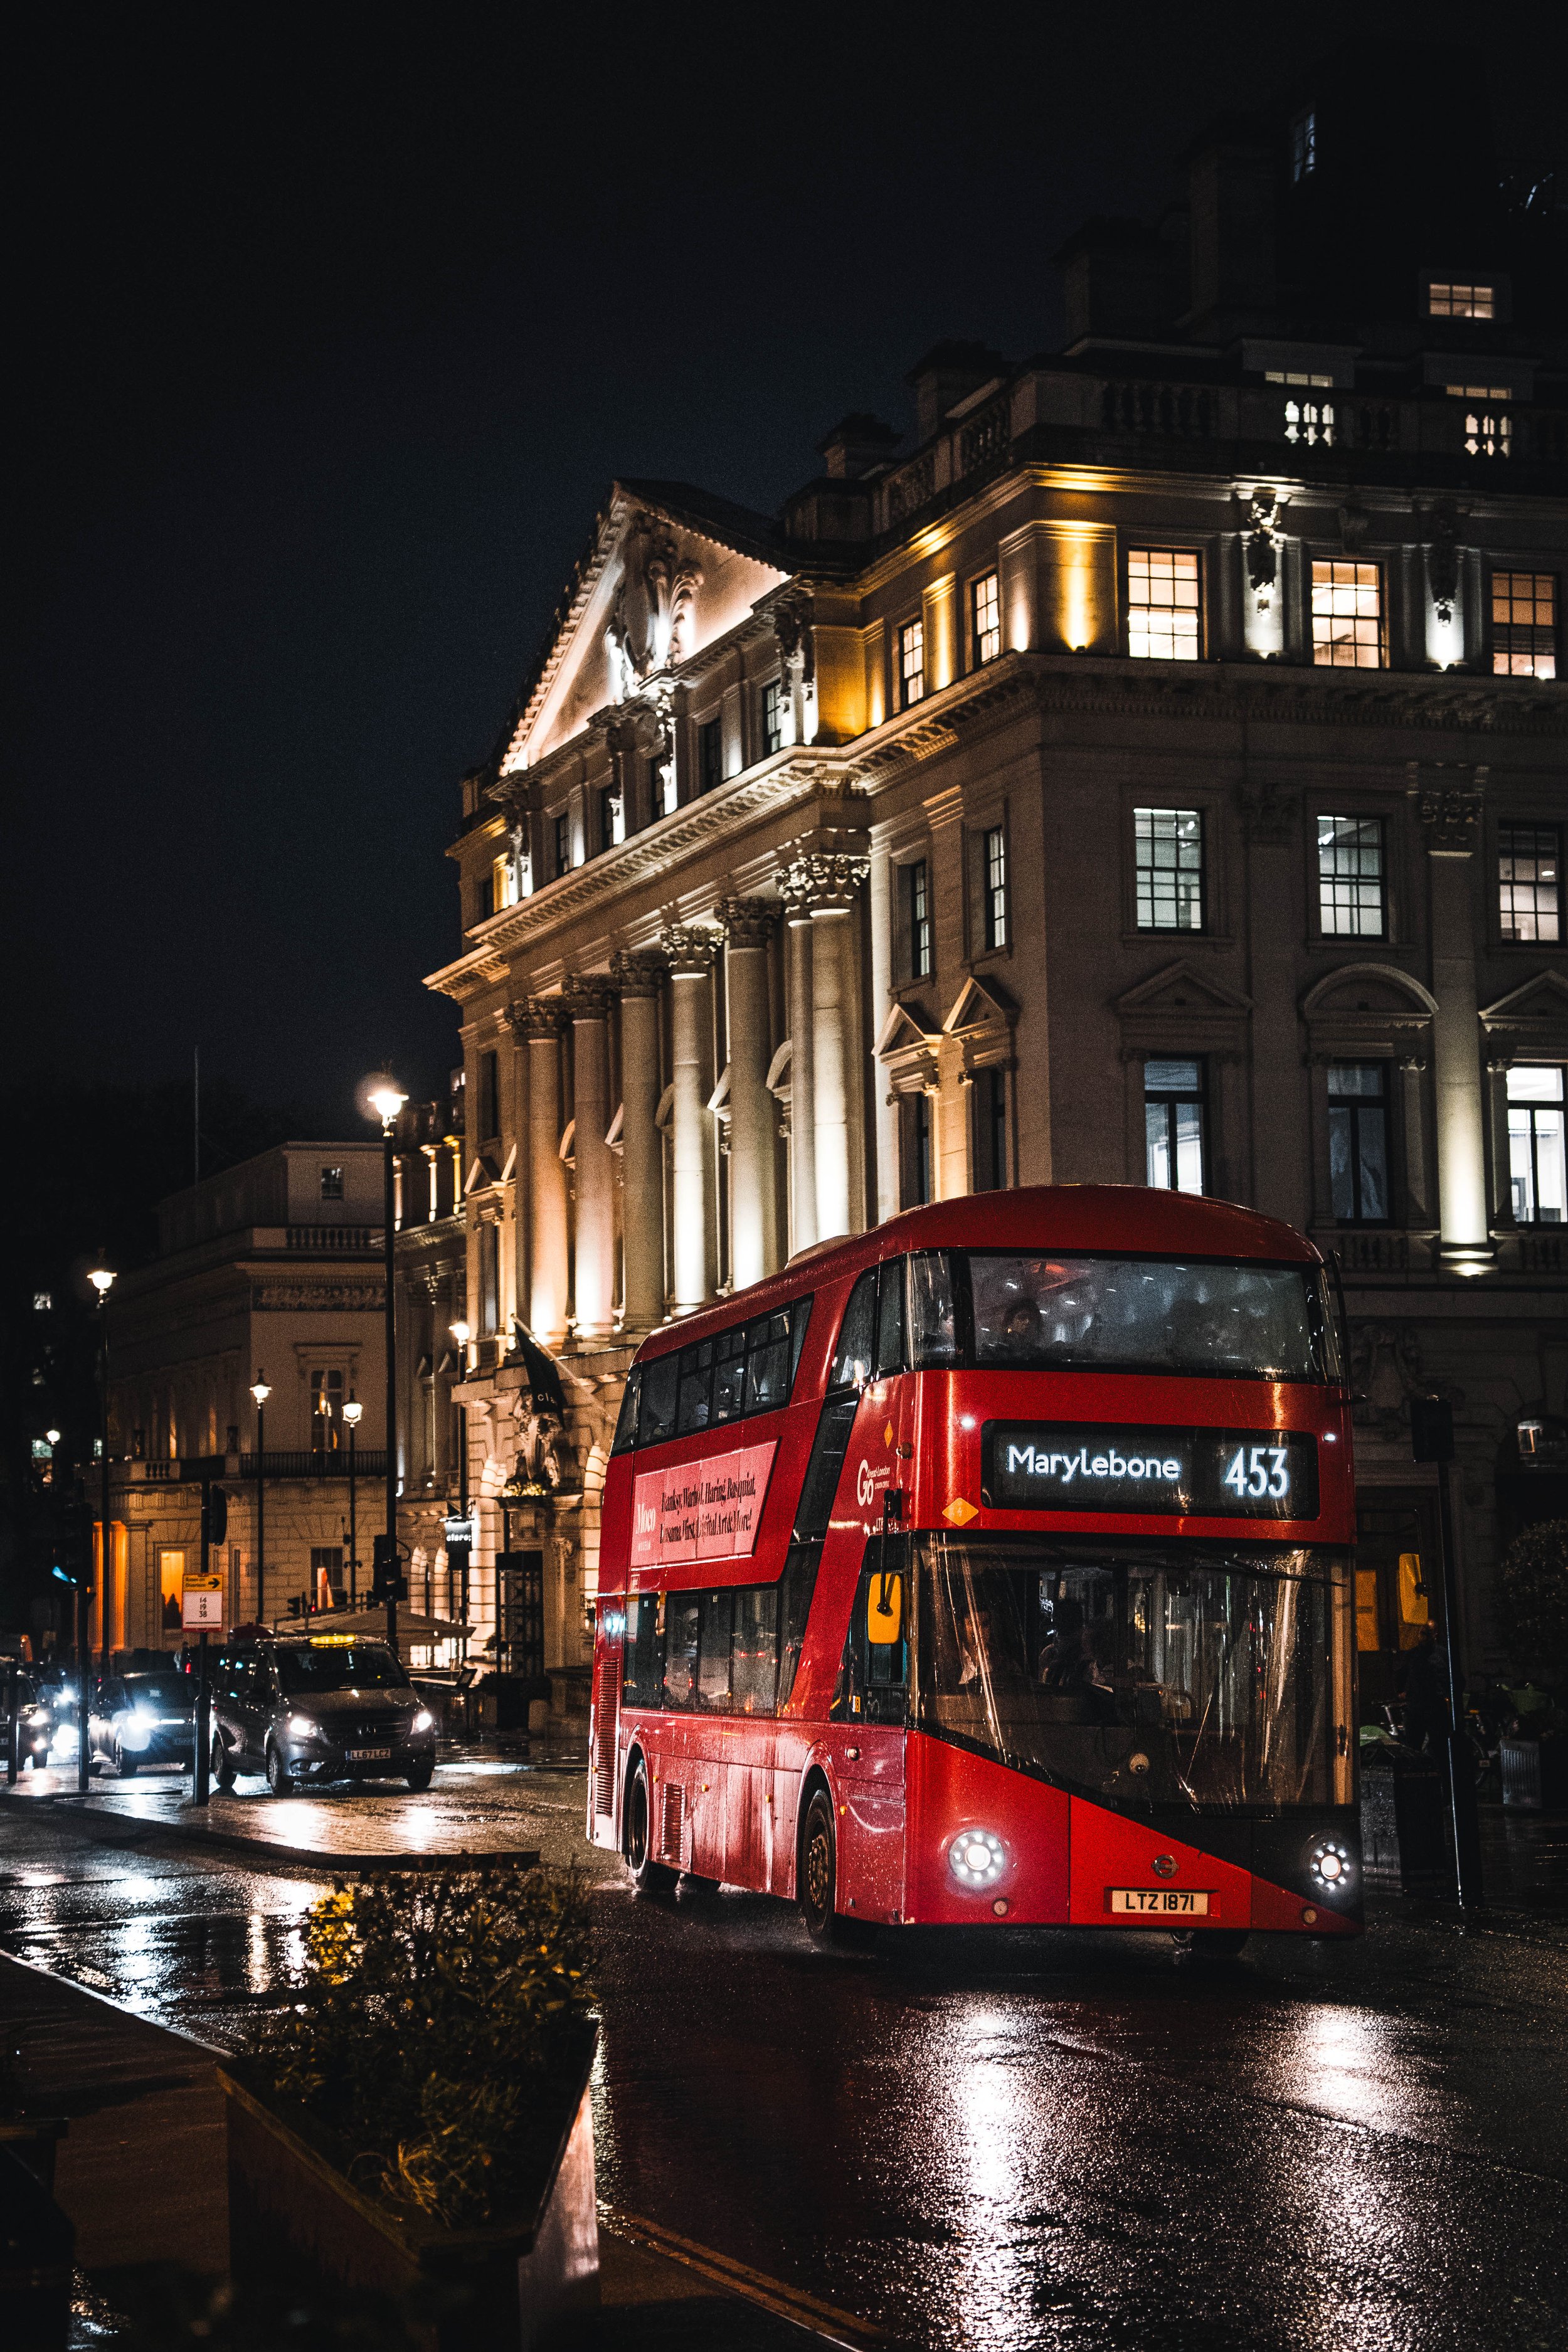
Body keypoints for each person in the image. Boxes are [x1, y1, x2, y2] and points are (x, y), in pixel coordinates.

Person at [1399, 1628, 1449, 1754]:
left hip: (1426, 1704)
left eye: (1427, 1635)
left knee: (1426, 1744)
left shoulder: (1416, 1654)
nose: (1424, 1638)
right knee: (1424, 1744)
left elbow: (1401, 1674)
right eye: (1422, 1634)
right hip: (1423, 1704)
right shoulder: (1439, 1654)